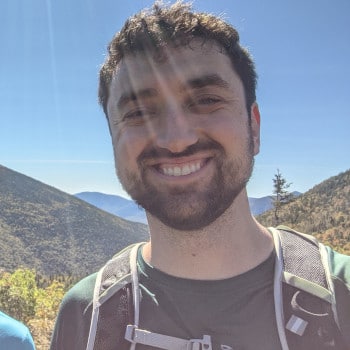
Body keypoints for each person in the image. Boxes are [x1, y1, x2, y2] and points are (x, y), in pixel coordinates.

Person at [50, 2, 350, 350]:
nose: (176, 139)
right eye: (139, 112)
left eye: (206, 100)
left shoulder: (341, 297)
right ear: (114, 140)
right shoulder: (86, 317)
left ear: (254, 125)